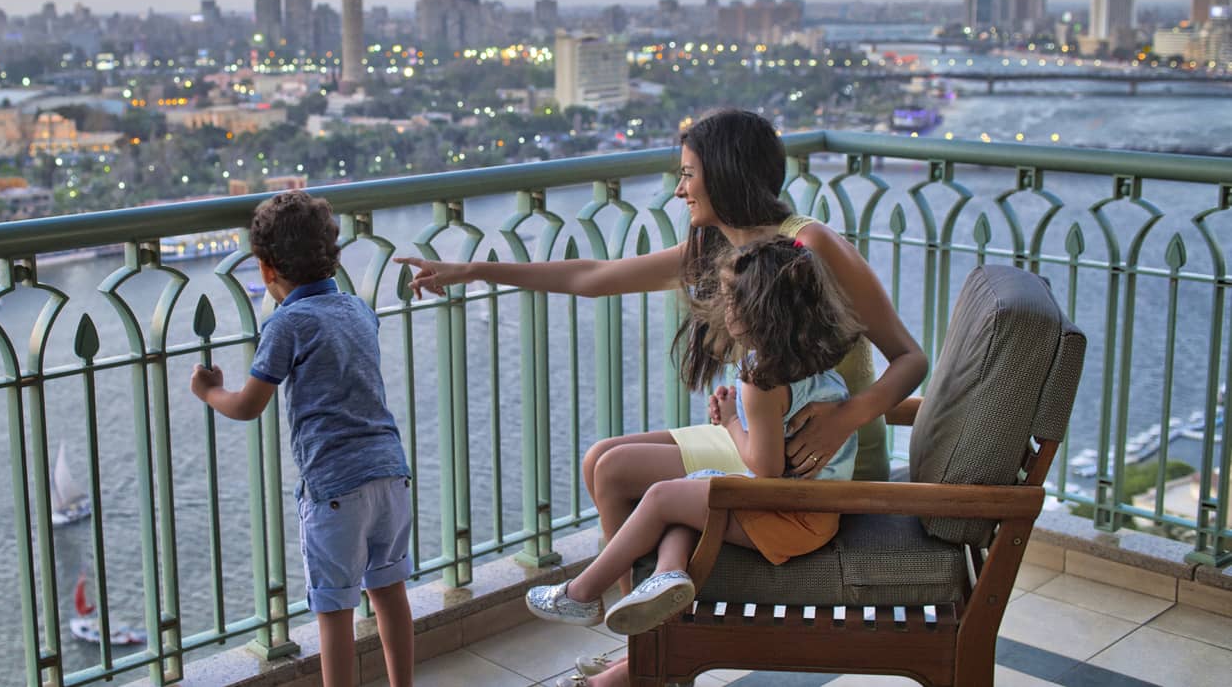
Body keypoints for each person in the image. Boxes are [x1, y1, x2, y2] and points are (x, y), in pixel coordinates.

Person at [394, 110, 927, 580]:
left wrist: (845, 418)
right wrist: (475, 269)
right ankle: (641, 629)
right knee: (599, 458)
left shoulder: (809, 244)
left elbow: (911, 358)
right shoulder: (720, 248)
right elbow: (594, 275)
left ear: (725, 174)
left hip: (827, 469)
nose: (679, 190)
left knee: (614, 471)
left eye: (688, 174)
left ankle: (640, 647)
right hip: (768, 448)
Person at [524, 235, 863, 687]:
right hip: (812, 512)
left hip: (789, 516)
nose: (724, 310)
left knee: (664, 496)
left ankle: (581, 593)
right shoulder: (813, 363)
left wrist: (730, 425)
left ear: (756, 312)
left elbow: (763, 469)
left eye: (730, 301)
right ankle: (667, 577)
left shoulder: (760, 379)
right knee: (687, 504)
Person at [190, 191, 414, 687]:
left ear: (267, 269)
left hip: (335, 486)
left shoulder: (286, 323)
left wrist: (209, 391)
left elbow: (249, 405)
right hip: (391, 472)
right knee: (390, 591)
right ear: (330, 253)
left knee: (334, 609)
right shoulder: (357, 308)